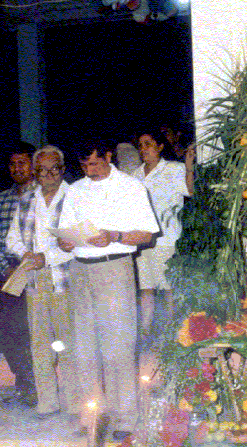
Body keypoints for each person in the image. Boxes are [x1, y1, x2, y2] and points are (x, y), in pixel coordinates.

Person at [57, 139, 159, 440]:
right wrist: (65, 240)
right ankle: (93, 414)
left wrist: (114, 235)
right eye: (84, 166)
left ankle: (125, 415)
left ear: (108, 156)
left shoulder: (131, 187)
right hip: (80, 270)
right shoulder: (75, 190)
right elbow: (66, 230)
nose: (90, 170)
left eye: (95, 164)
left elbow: (147, 235)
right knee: (84, 347)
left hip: (114, 267)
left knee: (119, 345)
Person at [5, 145, 79, 420]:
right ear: (35, 173)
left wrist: (45, 257)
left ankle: (73, 402)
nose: (48, 175)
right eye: (42, 170)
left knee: (68, 341)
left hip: (65, 277)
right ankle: (47, 402)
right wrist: (24, 253)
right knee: (40, 342)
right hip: (34, 279)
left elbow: (76, 240)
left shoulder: (73, 196)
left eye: (53, 169)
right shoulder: (27, 199)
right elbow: (11, 237)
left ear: (62, 170)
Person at [0, 141, 38, 409]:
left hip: (39, 271)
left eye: (23, 163)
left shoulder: (43, 195)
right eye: (13, 164)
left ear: (33, 164)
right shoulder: (2, 200)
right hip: (10, 272)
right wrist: (4, 267)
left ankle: (40, 387)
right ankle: (23, 383)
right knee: (10, 332)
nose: (18, 168)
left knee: (38, 330)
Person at [131, 131, 194, 334]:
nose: (143, 149)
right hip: (142, 242)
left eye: (148, 144)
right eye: (140, 145)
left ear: (159, 147)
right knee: (146, 289)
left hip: (166, 239)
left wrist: (190, 168)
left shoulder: (174, 169)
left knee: (169, 289)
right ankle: (146, 331)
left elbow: (190, 191)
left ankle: (172, 333)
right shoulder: (135, 175)